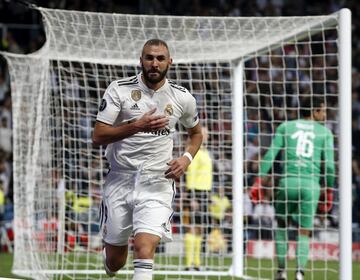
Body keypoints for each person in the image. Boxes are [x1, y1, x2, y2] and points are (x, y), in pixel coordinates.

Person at [92, 38, 202, 279]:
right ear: (140, 60)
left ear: (169, 62)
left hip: (157, 182)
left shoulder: (182, 98)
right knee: (115, 261)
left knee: (144, 248)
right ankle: (110, 258)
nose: (154, 63)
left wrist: (185, 159)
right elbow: (98, 136)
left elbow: (196, 134)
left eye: (160, 58)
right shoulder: (118, 89)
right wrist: (137, 125)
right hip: (119, 180)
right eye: (149, 58)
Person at [250, 96, 335, 280]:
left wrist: (259, 180)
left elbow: (270, 155)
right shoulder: (324, 133)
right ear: (314, 111)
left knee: (281, 226)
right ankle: (299, 272)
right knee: (304, 231)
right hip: (310, 185)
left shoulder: (285, 127)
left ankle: (281, 271)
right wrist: (328, 188)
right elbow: (328, 166)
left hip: (287, 183)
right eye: (323, 110)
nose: (325, 114)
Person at [183, 126, 212, 270]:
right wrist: (192, 197)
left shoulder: (205, 152)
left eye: (207, 133)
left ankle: (197, 263)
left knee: (200, 229)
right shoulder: (195, 152)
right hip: (196, 193)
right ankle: (189, 264)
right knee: (192, 229)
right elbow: (191, 175)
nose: (208, 135)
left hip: (205, 193)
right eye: (205, 133)